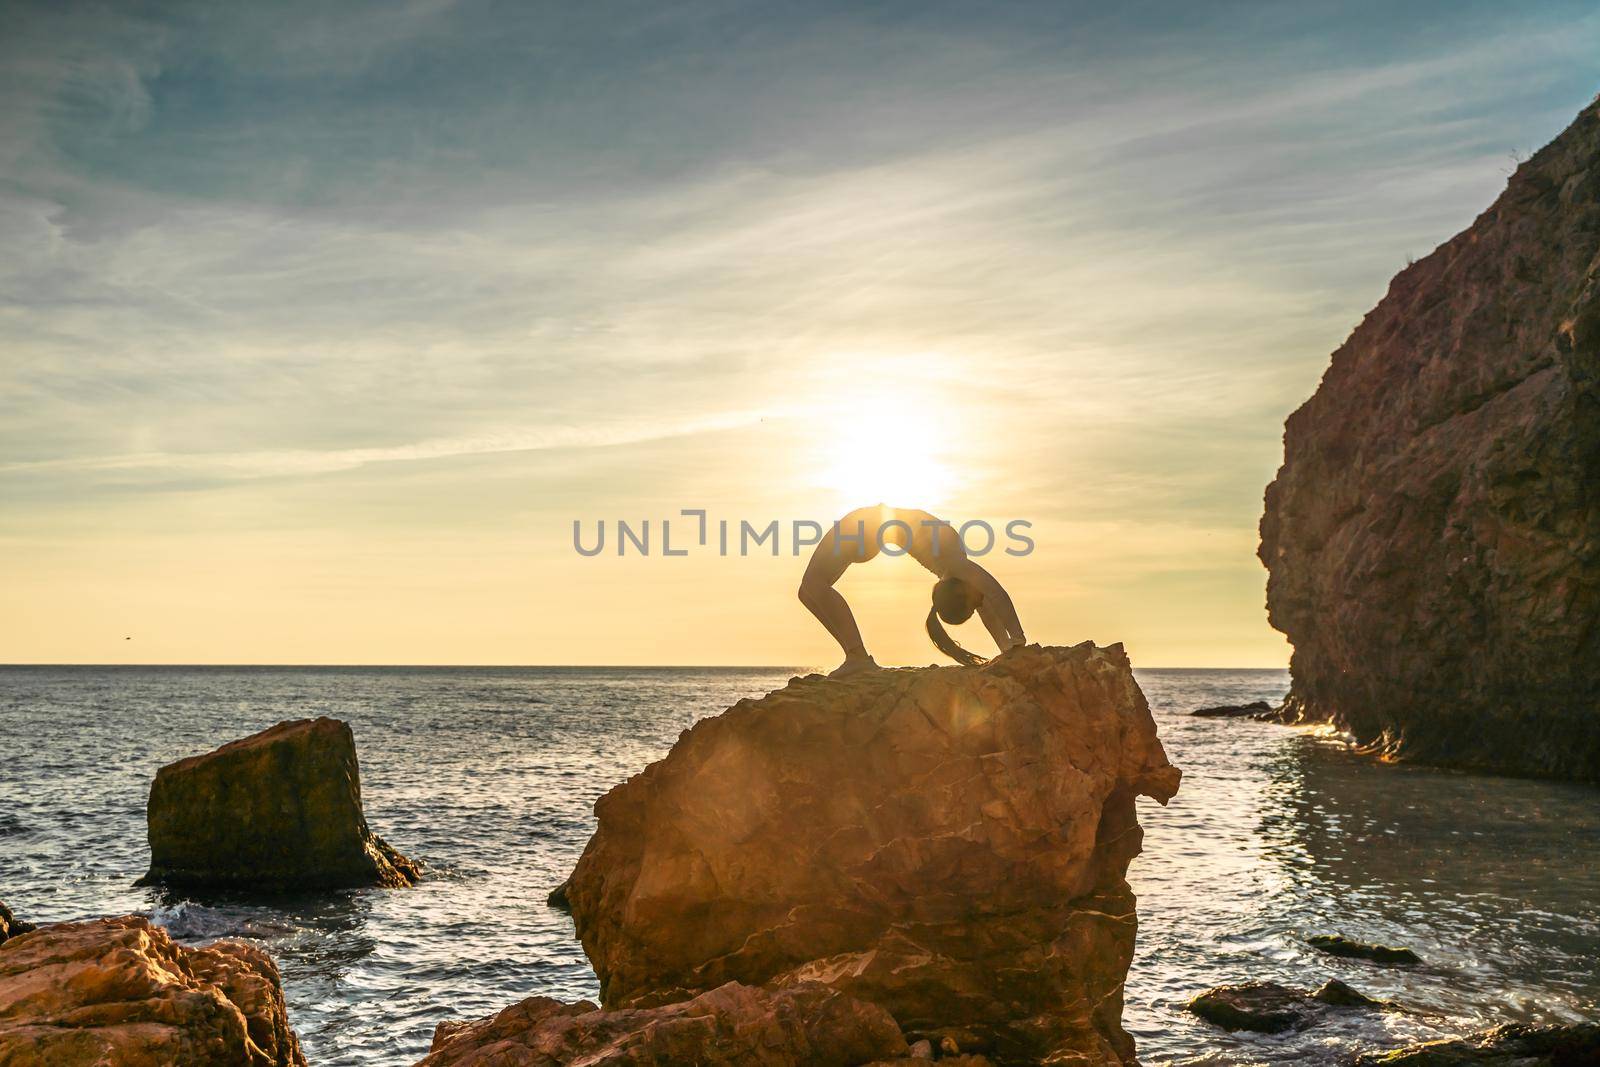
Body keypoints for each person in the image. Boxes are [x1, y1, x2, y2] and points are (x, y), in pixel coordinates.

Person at [797, 504, 1026, 677]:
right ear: (961, 593)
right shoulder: (957, 566)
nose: (980, 606)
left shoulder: (955, 569)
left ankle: (857, 656)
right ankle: (855, 656)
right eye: (974, 607)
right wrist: (1015, 641)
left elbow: (991, 604)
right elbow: (997, 595)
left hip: (868, 525)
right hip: (870, 527)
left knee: (812, 586)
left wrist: (1009, 647)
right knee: (807, 592)